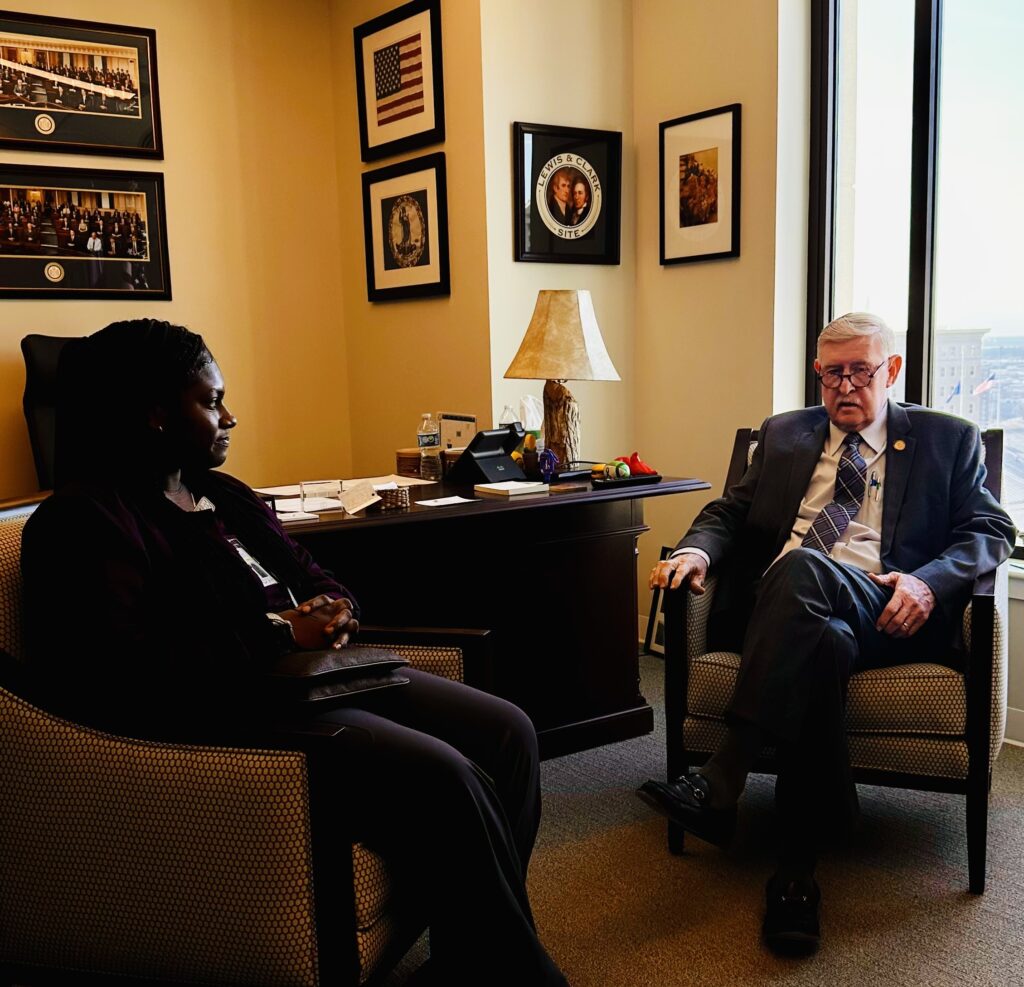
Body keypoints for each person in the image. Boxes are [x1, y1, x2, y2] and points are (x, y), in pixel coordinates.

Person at [21, 320, 569, 987]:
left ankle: (470, 960)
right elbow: (122, 670)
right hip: (234, 705)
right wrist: (281, 632)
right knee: (448, 778)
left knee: (508, 731)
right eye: (211, 400)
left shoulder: (222, 495)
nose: (230, 415)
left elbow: (315, 575)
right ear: (158, 414)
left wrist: (335, 610)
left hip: (316, 673)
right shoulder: (85, 520)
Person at [638, 312, 1015, 954]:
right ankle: (795, 875)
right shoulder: (786, 434)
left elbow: (992, 531)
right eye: (831, 373)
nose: (845, 387)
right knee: (823, 638)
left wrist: (927, 582)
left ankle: (723, 776)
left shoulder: (949, 438)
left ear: (891, 371)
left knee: (807, 568)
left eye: (860, 372)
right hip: (789, 613)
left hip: (889, 607)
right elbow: (730, 510)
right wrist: (698, 551)